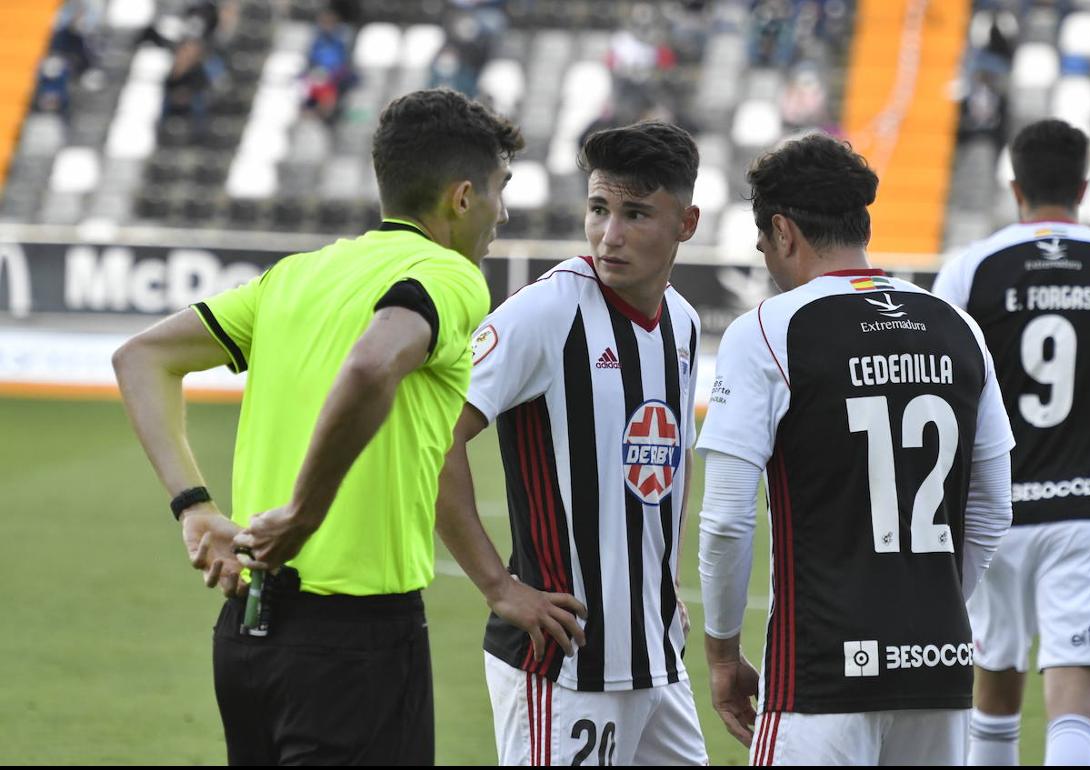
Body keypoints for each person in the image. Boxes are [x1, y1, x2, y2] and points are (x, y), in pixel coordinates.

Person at [111, 88, 520, 764]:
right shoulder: (449, 276)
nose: (503, 214)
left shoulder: (296, 275)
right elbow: (371, 365)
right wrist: (304, 512)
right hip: (355, 644)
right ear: (463, 197)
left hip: (247, 635)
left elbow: (142, 357)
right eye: (501, 192)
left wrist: (194, 507)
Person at [696, 133, 1015, 766]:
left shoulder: (766, 329)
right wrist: (926, 610)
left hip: (817, 677)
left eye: (762, 241)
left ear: (783, 232)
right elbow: (993, 507)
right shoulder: (957, 325)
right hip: (939, 667)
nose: (764, 256)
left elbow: (728, 521)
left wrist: (724, 655)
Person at [435, 121, 709, 765]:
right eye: (598, 209)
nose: (609, 235)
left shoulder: (685, 324)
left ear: (686, 222)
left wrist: (661, 586)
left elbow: (672, 458)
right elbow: (433, 435)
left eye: (635, 213)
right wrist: (500, 587)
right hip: (563, 660)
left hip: (655, 656)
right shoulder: (547, 313)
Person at [932, 118, 1090, 766]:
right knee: (1073, 706)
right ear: (1084, 185)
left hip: (993, 515)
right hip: (1089, 511)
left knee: (993, 695)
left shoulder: (969, 271)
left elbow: (940, 399)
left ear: (1014, 185)